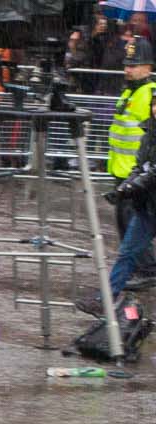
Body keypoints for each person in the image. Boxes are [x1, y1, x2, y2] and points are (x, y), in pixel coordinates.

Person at [95, 35, 156, 308]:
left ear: (149, 66)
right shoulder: (131, 92)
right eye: (127, 64)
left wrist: (141, 174)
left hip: (143, 182)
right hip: (129, 176)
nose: (128, 69)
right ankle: (108, 297)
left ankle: (145, 271)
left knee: (132, 238)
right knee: (128, 240)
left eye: (135, 64)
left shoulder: (148, 93)